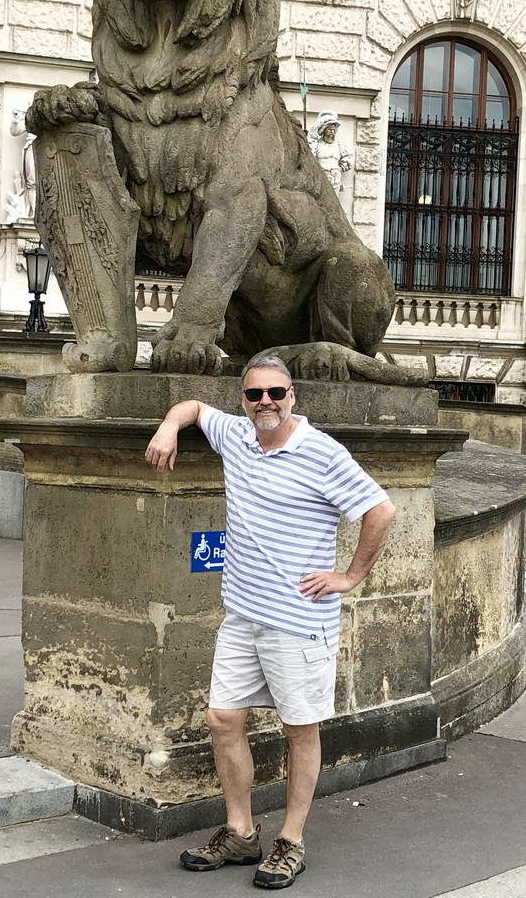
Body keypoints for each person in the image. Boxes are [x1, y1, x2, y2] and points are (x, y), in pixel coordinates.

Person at [144, 355, 395, 889]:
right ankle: (239, 832)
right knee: (222, 719)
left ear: (293, 395)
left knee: (299, 729)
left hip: (298, 620)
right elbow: (191, 407)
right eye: (255, 394)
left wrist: (349, 576)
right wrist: (169, 425)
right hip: (243, 613)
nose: (266, 403)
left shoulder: (321, 451)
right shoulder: (235, 434)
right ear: (243, 399)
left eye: (276, 393)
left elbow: (381, 509)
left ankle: (291, 841)